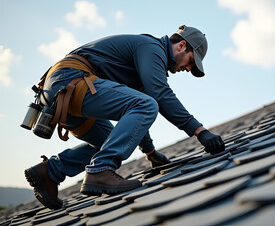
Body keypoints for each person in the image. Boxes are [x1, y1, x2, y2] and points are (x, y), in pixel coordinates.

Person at [24, 25, 225, 210]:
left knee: (111, 142)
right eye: (191, 62)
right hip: (70, 81)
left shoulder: (146, 64)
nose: (188, 69)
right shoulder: (152, 48)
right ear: (181, 45)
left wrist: (151, 152)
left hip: (61, 93)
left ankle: (50, 172)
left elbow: (135, 119)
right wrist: (200, 131)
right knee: (147, 105)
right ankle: (100, 170)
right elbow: (158, 95)